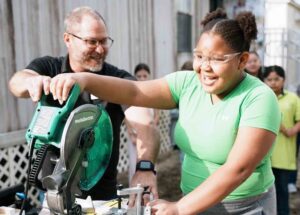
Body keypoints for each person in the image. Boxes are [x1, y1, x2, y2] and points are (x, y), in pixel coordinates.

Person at [41, 8, 281, 214]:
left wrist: (179, 208)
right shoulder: (188, 83)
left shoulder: (259, 99)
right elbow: (134, 91)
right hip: (194, 201)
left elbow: (238, 169)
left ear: (242, 61)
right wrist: (84, 80)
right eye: (199, 56)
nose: (204, 67)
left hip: (244, 207)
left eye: (217, 59)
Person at [8, 6, 159, 202]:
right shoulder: (51, 67)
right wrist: (31, 82)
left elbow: (145, 123)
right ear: (68, 39)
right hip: (53, 192)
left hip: (102, 198)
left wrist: (145, 167)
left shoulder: (118, 78)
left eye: (104, 41)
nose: (99, 49)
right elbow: (17, 82)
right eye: (91, 41)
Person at [263, 65, 300, 215]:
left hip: (284, 154)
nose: (273, 83)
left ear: (283, 80)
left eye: (277, 79)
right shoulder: (261, 97)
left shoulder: (293, 98)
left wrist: (291, 130)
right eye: (269, 79)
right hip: (263, 155)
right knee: (264, 194)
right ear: (264, 80)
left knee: (282, 192)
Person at [125, 63, 160, 182]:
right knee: (135, 160)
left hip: (149, 134)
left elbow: (156, 114)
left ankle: (149, 191)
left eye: (145, 76)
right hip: (134, 135)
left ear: (149, 76)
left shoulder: (153, 93)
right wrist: (131, 133)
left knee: (150, 161)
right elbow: (126, 115)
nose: (142, 78)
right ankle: (135, 189)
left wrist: (151, 130)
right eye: (139, 76)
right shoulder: (131, 93)